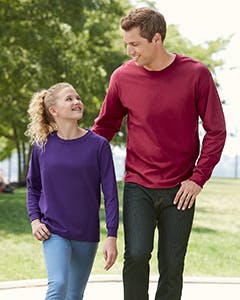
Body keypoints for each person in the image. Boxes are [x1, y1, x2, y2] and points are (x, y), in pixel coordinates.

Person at [92, 7, 226, 300]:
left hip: (180, 188)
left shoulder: (196, 74)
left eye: (135, 44)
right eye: (126, 43)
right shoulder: (122, 77)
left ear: (156, 39)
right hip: (138, 183)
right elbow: (105, 126)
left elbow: (216, 131)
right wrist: (71, 153)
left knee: (172, 265)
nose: (129, 51)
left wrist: (197, 178)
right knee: (137, 255)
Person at [25, 82, 119, 300]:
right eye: (69, 99)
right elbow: (33, 187)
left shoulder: (98, 146)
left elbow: (111, 194)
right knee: (58, 285)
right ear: (53, 110)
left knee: (75, 295)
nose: (77, 102)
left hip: (86, 232)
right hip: (53, 229)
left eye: (77, 97)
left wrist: (111, 235)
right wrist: (35, 220)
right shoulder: (42, 146)